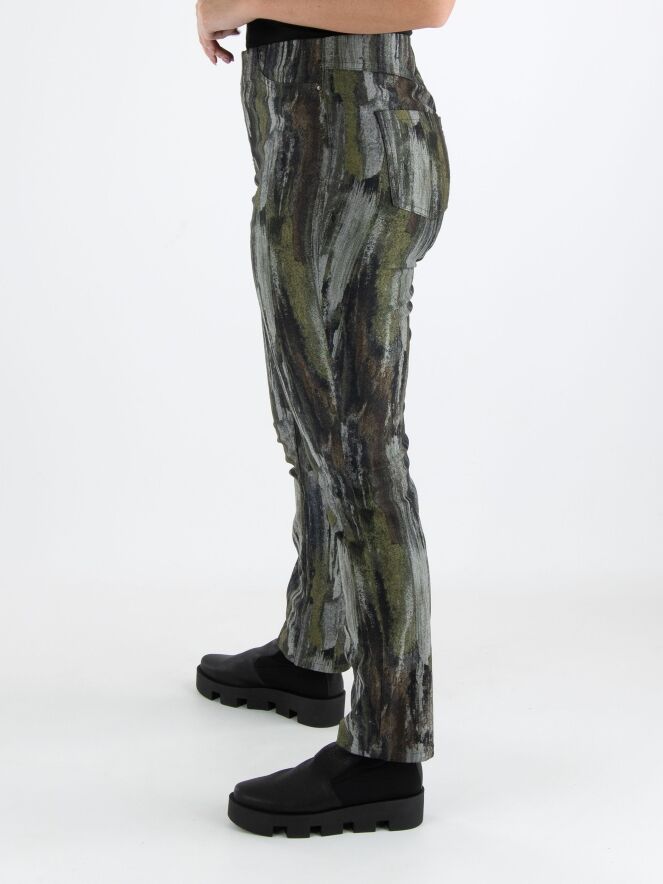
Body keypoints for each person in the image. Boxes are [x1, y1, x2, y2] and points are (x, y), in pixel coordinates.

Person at [194, 0, 455, 837]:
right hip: (309, 124)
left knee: (356, 446)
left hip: (351, 132)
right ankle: (313, 649)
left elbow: (426, 5)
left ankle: (385, 751)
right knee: (309, 425)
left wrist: (247, 3)